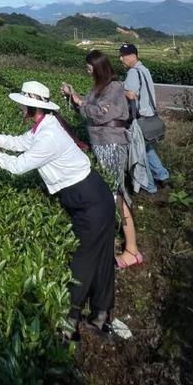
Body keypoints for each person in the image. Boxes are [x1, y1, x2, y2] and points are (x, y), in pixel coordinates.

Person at [0, 80, 118, 344]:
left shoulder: (49, 135)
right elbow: (21, 143)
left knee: (84, 262)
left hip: (91, 200)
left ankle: (68, 326)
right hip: (89, 196)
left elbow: (18, 166)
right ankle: (100, 316)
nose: (20, 108)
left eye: (22, 104)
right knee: (99, 256)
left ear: (31, 106)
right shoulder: (44, 125)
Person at [61, 52, 144, 270]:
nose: (87, 71)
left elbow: (99, 114)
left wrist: (80, 101)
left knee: (116, 194)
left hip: (112, 145)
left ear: (99, 67)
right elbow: (86, 112)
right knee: (109, 193)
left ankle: (132, 251)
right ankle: (117, 241)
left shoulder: (114, 87)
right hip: (101, 144)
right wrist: (73, 97)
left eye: (90, 68)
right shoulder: (97, 88)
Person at [119, 44, 171, 195]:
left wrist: (117, 89)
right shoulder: (144, 69)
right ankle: (162, 175)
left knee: (139, 153)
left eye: (123, 55)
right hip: (151, 117)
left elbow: (130, 95)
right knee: (147, 149)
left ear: (133, 56)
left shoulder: (133, 72)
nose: (120, 59)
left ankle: (149, 186)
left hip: (140, 120)